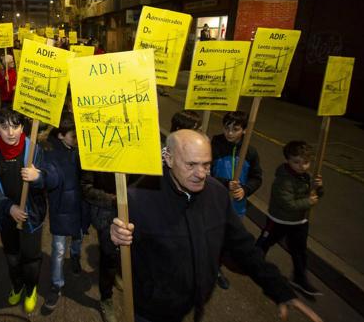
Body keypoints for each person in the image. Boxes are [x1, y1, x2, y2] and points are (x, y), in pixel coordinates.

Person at [110, 130, 323, 322]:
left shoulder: (216, 193)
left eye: (206, 164)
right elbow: (114, 251)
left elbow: (243, 247)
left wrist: (278, 288)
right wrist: (114, 239)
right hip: (152, 311)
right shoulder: (138, 198)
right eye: (191, 165)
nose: (201, 173)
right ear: (169, 158)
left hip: (195, 306)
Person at [0, 108, 55, 314]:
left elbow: (51, 179)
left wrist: (38, 177)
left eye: (15, 126)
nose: (10, 132)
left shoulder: (35, 151)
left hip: (32, 217)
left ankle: (31, 289)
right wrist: (8, 206)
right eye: (4, 127)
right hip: (6, 217)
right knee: (12, 257)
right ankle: (18, 285)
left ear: (22, 128)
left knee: (30, 257)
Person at [256, 141, 325, 296]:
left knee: (299, 251)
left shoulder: (306, 177)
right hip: (279, 220)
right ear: (288, 160)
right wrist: (308, 202)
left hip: (300, 221)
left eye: (306, 162)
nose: (302, 166)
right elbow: (287, 203)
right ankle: (254, 264)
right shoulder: (283, 179)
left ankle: (300, 278)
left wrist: (318, 188)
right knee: (264, 243)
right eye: (297, 162)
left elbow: (315, 195)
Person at [210, 110, 263, 289]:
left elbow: (257, 177)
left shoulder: (251, 152)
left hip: (236, 206)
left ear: (245, 130)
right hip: (215, 201)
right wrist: (225, 184)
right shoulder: (214, 144)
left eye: (236, 129)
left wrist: (245, 190)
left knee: (227, 238)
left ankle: (218, 266)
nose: (230, 133)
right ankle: (211, 267)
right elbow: (205, 173)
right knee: (212, 236)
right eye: (227, 128)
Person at [42, 113, 88, 312]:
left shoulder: (82, 150)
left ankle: (76, 255)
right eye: (73, 136)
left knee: (78, 236)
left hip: (80, 205)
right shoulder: (50, 153)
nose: (77, 140)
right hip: (62, 207)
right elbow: (49, 179)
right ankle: (56, 284)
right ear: (60, 136)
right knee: (59, 249)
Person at [82, 170, 130, 322]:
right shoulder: (95, 153)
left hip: (129, 209)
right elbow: (86, 188)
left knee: (123, 250)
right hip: (105, 214)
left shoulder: (131, 150)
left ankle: (115, 274)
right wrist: (113, 200)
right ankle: (106, 298)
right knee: (109, 255)